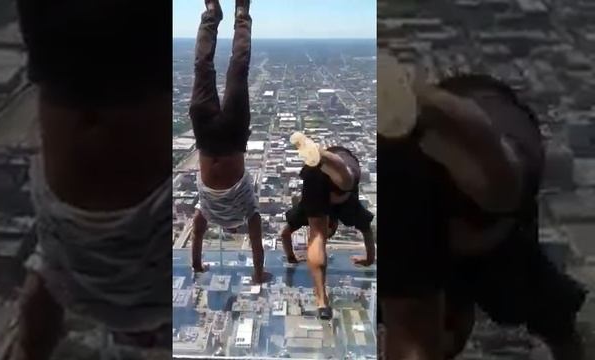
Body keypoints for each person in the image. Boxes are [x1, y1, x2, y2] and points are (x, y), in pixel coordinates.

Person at [378, 68, 587, 360]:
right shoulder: (507, 278)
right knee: (499, 192)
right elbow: (562, 334)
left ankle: (430, 105)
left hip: (471, 128)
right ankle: (431, 104)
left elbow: (563, 336)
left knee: (497, 190)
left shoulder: (408, 273)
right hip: (484, 120)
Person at [11, 1, 172, 359]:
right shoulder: (66, 270)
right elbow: (39, 306)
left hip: (127, 66)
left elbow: (38, 312)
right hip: (73, 69)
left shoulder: (66, 268)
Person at [188, 0, 268, 283]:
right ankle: (240, 14)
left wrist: (198, 266)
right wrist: (258, 274)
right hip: (228, 138)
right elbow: (255, 240)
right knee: (227, 69)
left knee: (220, 68)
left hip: (208, 138)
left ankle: (213, 15)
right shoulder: (246, 208)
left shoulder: (206, 209)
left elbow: (196, 234)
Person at [282, 134, 375, 320]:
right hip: (337, 161)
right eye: (330, 232)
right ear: (333, 225)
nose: (328, 232)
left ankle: (322, 301)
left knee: (317, 236)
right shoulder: (349, 211)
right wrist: (369, 259)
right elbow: (367, 231)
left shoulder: (307, 211)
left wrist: (292, 257)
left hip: (317, 170)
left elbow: (284, 233)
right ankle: (325, 157)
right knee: (346, 183)